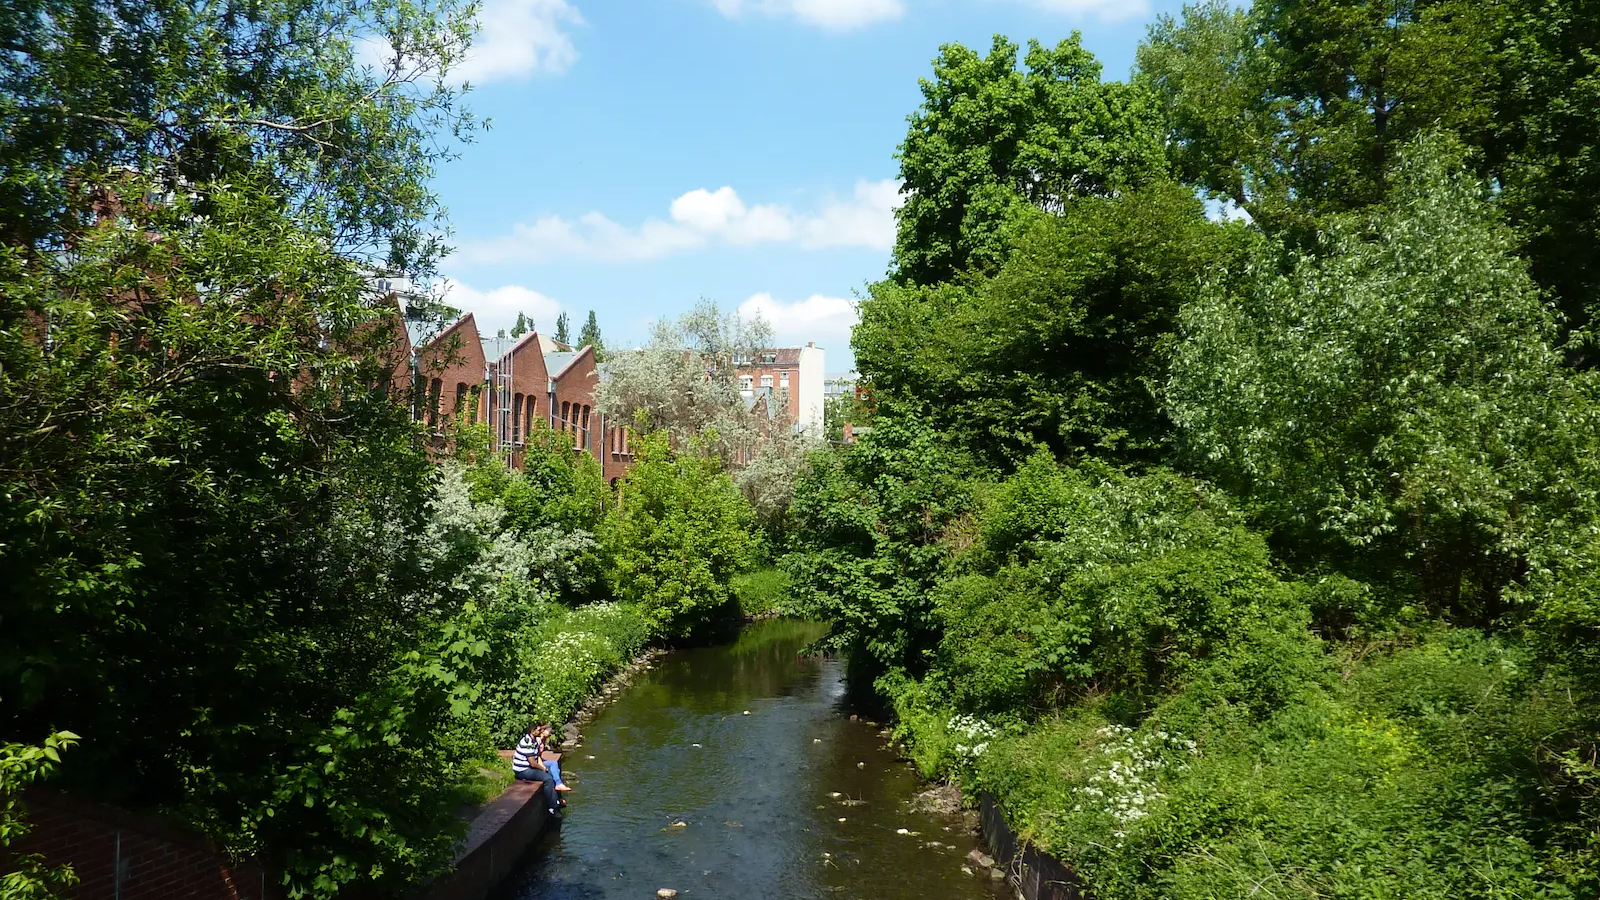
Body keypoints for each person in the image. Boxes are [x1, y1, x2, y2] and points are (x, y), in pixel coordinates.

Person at [511, 722, 561, 815]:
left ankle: (556, 799)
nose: (540, 731)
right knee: (548, 779)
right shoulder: (527, 742)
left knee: (551, 771)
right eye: (538, 730)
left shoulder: (534, 740)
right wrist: (543, 768)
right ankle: (552, 807)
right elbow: (533, 763)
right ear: (532, 731)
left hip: (529, 766)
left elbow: (537, 756)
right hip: (523, 770)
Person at [538, 723, 573, 793]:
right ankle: (558, 787)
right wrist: (543, 767)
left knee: (556, 770)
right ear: (543, 731)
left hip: (538, 760)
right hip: (534, 763)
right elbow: (535, 756)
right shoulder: (538, 740)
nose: (550, 733)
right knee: (552, 766)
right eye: (549, 731)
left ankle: (558, 794)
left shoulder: (543, 740)